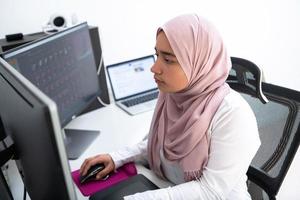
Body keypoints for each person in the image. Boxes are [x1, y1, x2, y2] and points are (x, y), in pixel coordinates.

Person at [80, 14, 261, 199]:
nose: (154, 67)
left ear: (197, 62)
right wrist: (117, 157)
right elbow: (158, 144)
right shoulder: (173, 96)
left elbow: (210, 191)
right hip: (168, 186)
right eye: (157, 55)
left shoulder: (234, 114)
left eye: (168, 60)